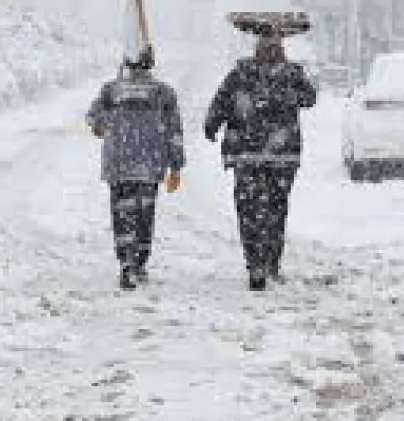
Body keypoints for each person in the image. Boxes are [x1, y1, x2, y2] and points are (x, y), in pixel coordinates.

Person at [203, 34, 317, 291]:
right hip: (274, 155)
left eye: (273, 49)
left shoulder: (246, 74)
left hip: (255, 154)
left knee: (253, 210)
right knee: (271, 210)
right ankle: (264, 262)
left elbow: (309, 98)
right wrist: (212, 123)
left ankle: (260, 262)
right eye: (268, 48)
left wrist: (213, 124)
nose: (270, 53)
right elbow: (309, 98)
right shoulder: (279, 74)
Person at [86, 43, 186, 291]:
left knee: (122, 214)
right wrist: (176, 166)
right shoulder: (164, 93)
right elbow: (174, 132)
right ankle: (139, 262)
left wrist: (101, 126)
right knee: (144, 215)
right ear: (150, 63)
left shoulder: (111, 90)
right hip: (150, 165)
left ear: (126, 62)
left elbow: (93, 118)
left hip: (119, 164)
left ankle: (126, 263)